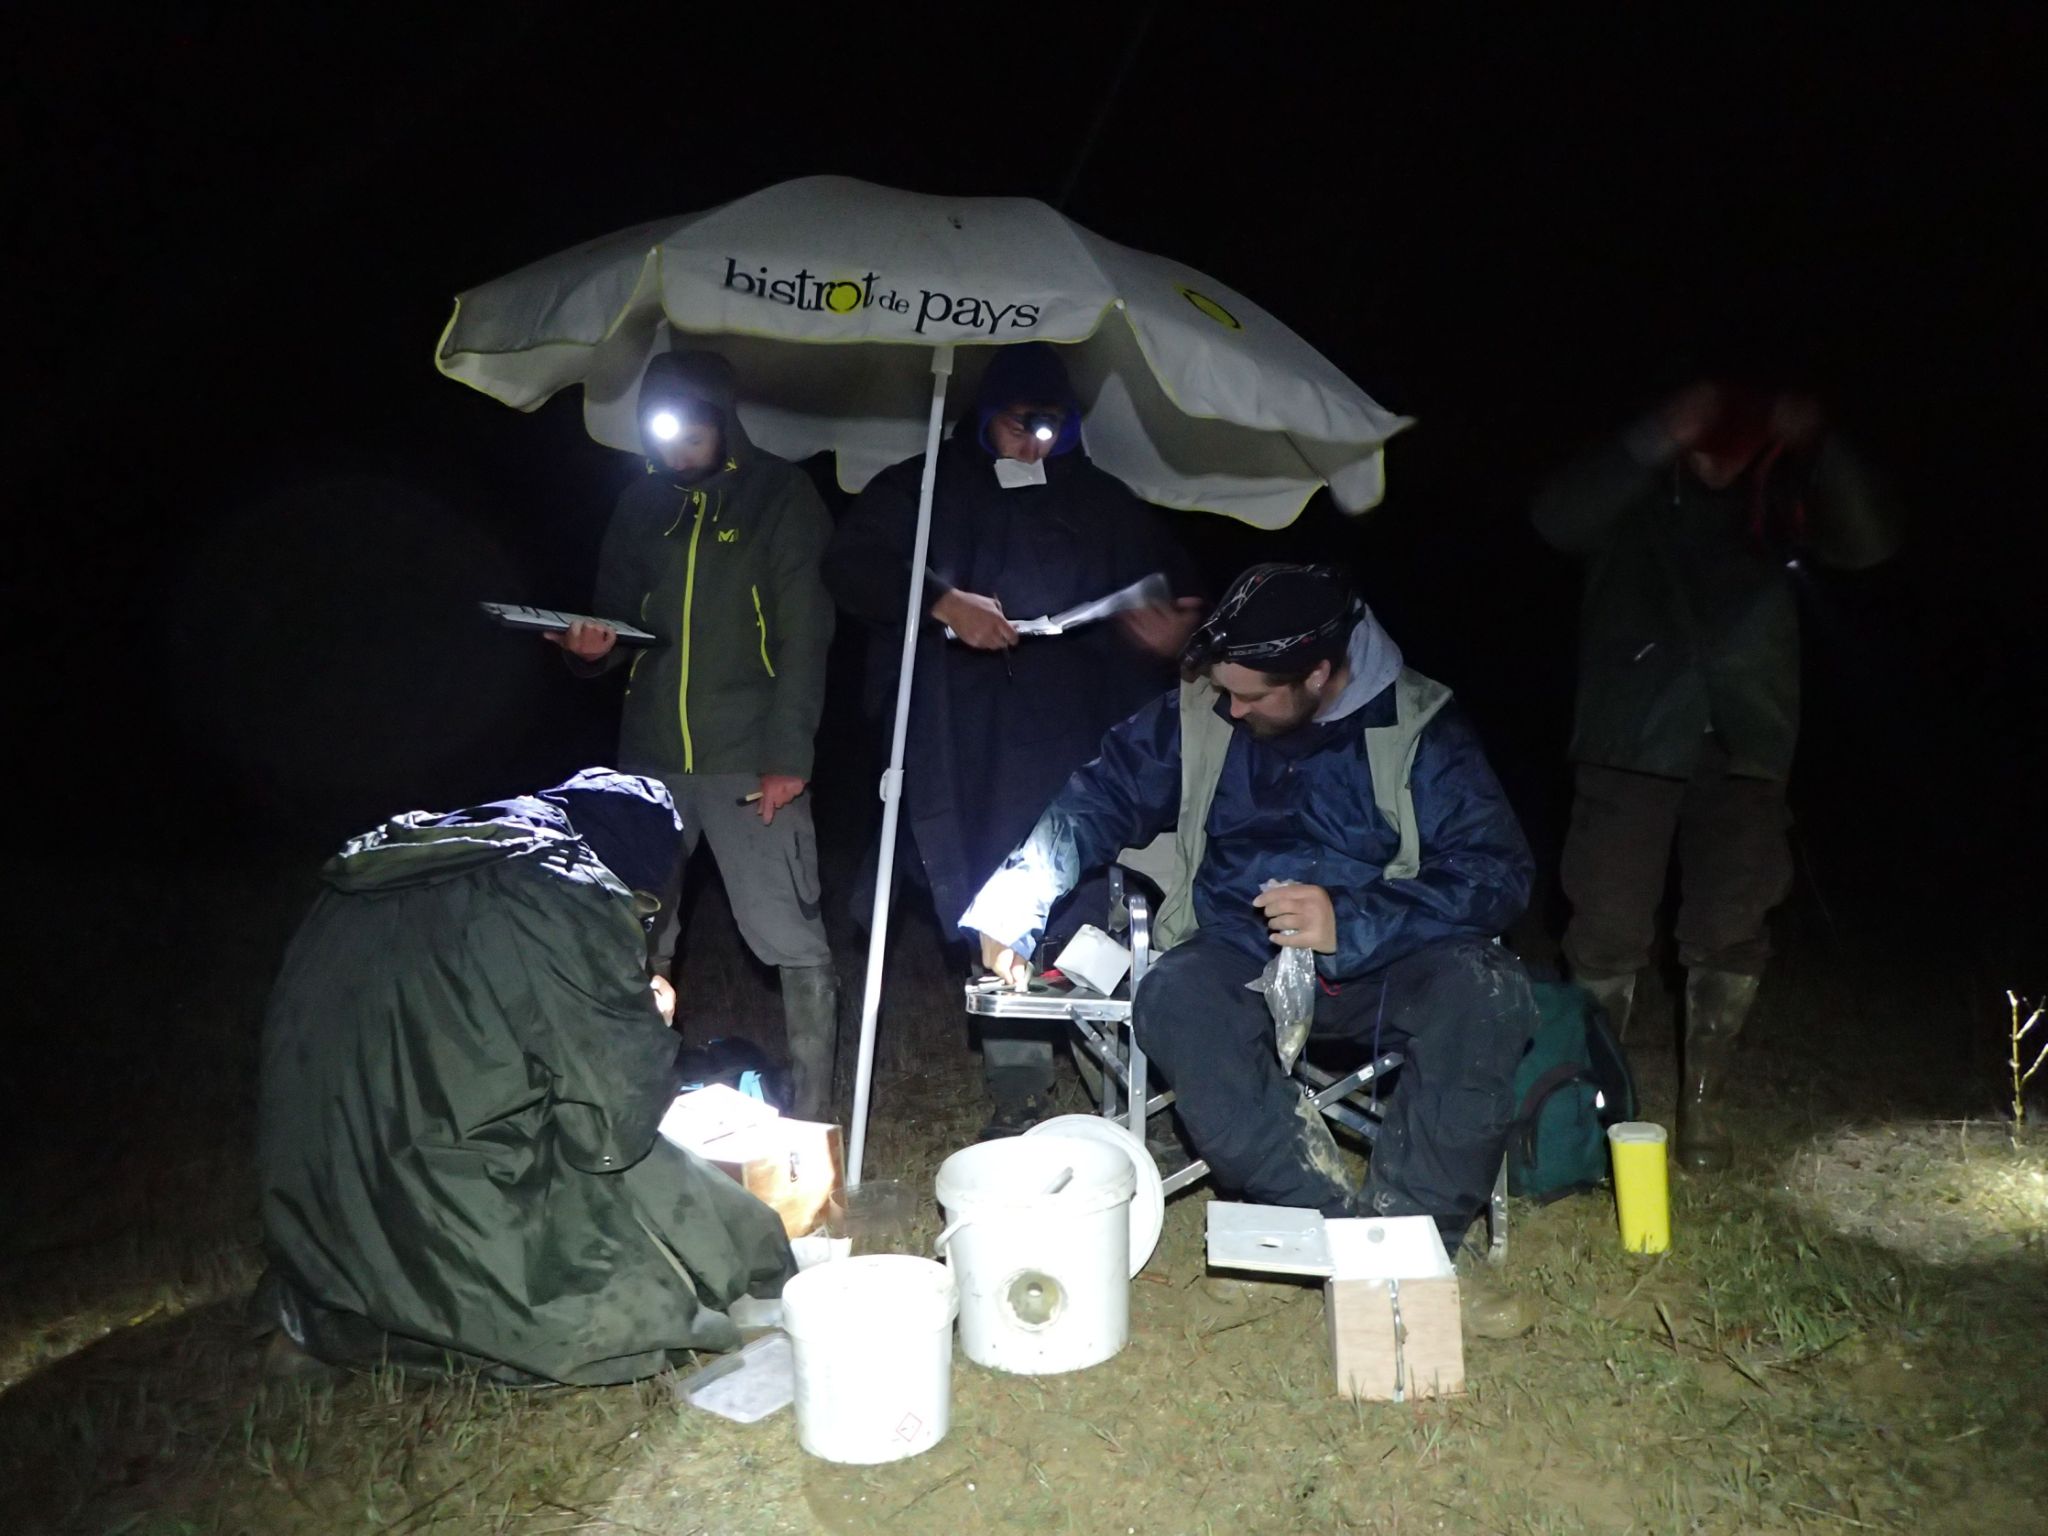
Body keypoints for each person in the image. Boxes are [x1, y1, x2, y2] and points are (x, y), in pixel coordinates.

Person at [962, 565, 1537, 1249]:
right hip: (1241, 945)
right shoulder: (1201, 710)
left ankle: (1413, 1239)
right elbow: (1098, 799)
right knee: (1173, 999)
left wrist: (1351, 921)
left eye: (1252, 696)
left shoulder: (1419, 724)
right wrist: (1012, 907)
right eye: (1226, 691)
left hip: (1389, 956)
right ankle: (1329, 1226)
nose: (1231, 710)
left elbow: (1496, 869)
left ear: (1318, 675)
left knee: (1486, 992)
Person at [255, 769, 795, 1385]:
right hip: (438, 1189)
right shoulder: (559, 891)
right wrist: (648, 1019)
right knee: (658, 1285)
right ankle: (384, 1332)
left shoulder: (385, 869)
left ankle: (323, 1320)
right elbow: (609, 1128)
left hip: (314, 1210)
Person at [824, 342, 1201, 1136]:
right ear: (987, 415)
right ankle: (1019, 1084)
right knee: (991, 893)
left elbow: (1169, 588)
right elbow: (852, 564)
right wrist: (940, 601)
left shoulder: (1100, 498)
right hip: (967, 738)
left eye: (1051, 427)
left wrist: (1167, 625)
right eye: (1020, 424)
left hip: (1080, 733)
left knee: (1098, 896)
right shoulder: (927, 486)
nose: (1035, 443)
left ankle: (1124, 1080)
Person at [1532, 380, 1904, 1171]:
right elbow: (1557, 518)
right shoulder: (1636, 485)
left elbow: (1869, 542)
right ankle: (1598, 1101)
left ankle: (1702, 1105)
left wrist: (1821, 441)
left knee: (1733, 922)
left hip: (1750, 735)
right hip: (1631, 733)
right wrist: (1654, 433)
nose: (1723, 440)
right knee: (1605, 921)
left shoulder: (1783, 490)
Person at [551, 349, 839, 1120]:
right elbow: (616, 626)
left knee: (790, 936)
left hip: (750, 757)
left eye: (690, 428)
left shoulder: (779, 495)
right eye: (662, 431)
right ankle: (638, 1110)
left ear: (722, 419)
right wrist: (589, 652)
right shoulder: (640, 506)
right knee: (638, 936)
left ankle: (812, 1124)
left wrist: (789, 756)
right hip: (649, 762)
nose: (676, 446)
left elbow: (805, 634)